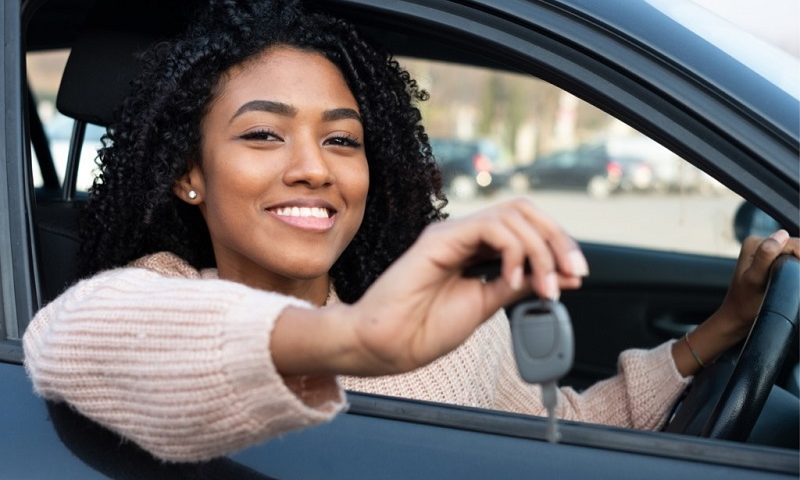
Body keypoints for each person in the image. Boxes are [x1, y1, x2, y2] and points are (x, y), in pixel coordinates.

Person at [22, 0, 799, 463]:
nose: (313, 169)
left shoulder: (445, 321)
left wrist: (720, 330)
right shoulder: (164, 296)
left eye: (341, 140)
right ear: (190, 174)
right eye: (263, 136)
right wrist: (353, 343)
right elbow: (70, 340)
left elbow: (569, 430)